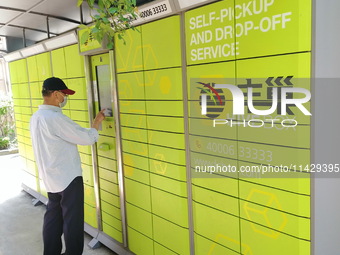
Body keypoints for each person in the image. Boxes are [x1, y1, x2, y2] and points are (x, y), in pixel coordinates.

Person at [30, 77, 105, 255]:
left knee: (53, 219)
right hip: (68, 179)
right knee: (72, 222)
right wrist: (96, 123)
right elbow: (86, 138)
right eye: (64, 94)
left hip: (50, 179)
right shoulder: (56, 118)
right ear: (56, 94)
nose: (65, 98)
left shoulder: (36, 117)